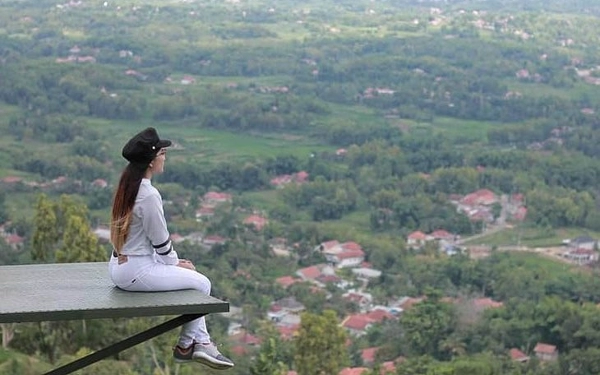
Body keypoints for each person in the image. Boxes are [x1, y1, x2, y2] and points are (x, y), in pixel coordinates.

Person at [108, 127, 234, 370]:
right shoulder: (149, 195)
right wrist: (175, 263)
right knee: (201, 283)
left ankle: (197, 344)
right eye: (163, 152)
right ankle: (189, 345)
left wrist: (172, 263)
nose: (165, 157)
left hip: (119, 266)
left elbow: (142, 240)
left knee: (191, 277)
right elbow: (160, 240)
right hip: (136, 271)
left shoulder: (128, 187)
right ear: (152, 161)